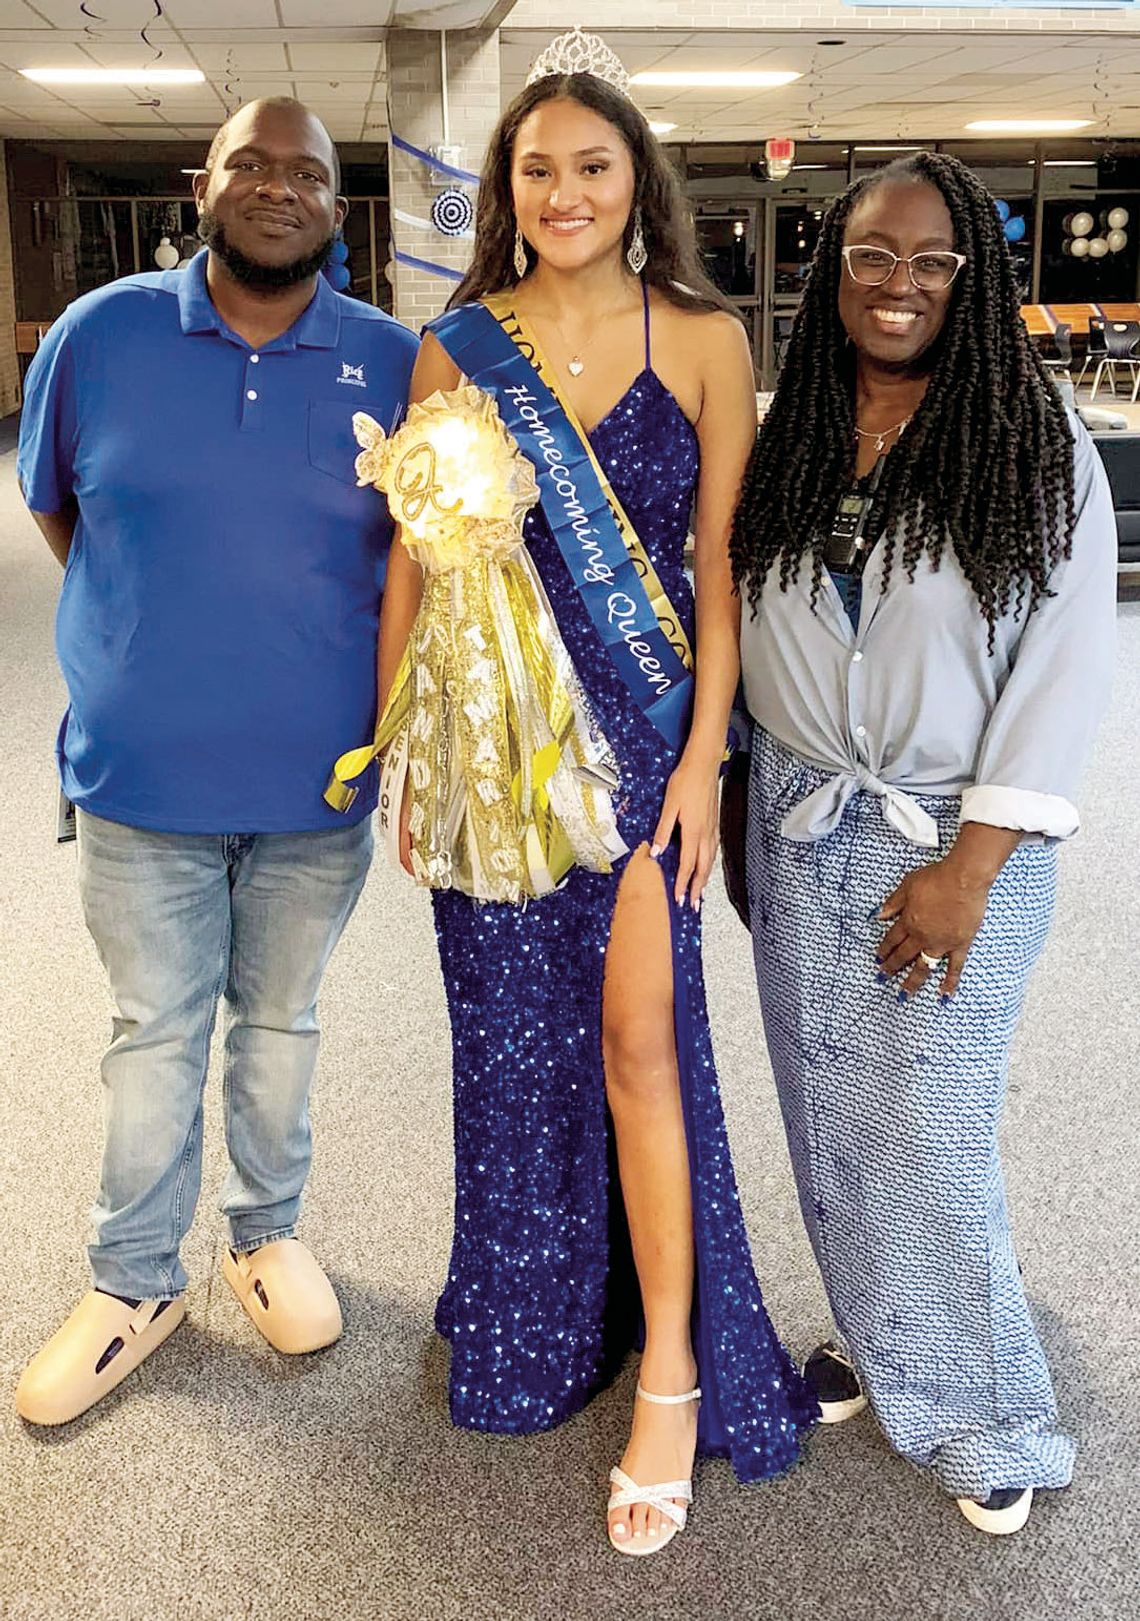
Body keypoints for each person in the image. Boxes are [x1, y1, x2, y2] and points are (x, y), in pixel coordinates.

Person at [372, 31, 817, 1555]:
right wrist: (397, 758)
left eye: (594, 166)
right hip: (496, 759)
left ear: (641, 186)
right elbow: (416, 569)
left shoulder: (700, 336)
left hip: (638, 749)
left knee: (638, 1046)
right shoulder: (456, 342)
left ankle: (676, 1371)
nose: (564, 191)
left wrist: (704, 763)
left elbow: (717, 571)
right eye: (537, 167)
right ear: (506, 187)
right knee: (507, 1051)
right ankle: (533, 1321)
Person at [727, 152, 1116, 1535]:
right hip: (797, 816)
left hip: (955, 838)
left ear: (973, 276)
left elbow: (1062, 672)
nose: (899, 285)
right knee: (829, 1113)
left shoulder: (1029, 437)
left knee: (933, 1129)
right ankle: (885, 1339)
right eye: (873, 257)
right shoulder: (794, 428)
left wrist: (968, 870)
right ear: (834, 269)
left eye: (931, 261)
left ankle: (990, 1410)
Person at [15, 97, 418, 1425]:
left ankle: (262, 1234)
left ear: (335, 204)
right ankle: (134, 1279)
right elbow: (59, 503)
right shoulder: (102, 334)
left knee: (282, 1027)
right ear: (206, 181)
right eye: (252, 162)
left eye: (308, 171)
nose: (279, 187)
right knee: (153, 1032)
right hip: (141, 783)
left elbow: (418, 565)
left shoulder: (393, 362)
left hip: (318, 790)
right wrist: (156, 642)